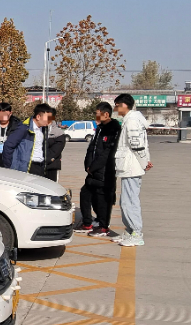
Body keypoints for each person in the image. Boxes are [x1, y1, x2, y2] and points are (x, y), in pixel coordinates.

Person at [74, 102, 121, 237]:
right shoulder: (99, 128)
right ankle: (88, 223)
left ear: (106, 114)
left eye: (97, 113)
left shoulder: (114, 129)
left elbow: (107, 153)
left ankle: (103, 226)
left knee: (102, 199)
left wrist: (93, 167)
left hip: (105, 172)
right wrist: (88, 165)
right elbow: (92, 149)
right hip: (93, 171)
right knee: (85, 193)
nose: (96, 116)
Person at [113, 94, 152, 246]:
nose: (115, 108)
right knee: (125, 201)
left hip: (132, 166)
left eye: (117, 105)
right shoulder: (130, 120)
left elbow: (137, 144)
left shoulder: (132, 121)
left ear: (124, 105)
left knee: (130, 201)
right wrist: (146, 160)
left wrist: (143, 162)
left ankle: (137, 233)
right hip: (129, 166)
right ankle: (130, 231)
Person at [2, 103, 54, 176]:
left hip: (40, 167)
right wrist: (10, 166)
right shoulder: (24, 128)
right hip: (27, 168)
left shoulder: (43, 130)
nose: (49, 121)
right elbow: (8, 145)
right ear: (38, 117)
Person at [44, 108, 67, 182]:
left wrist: (45, 160)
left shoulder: (58, 133)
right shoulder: (38, 130)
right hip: (38, 167)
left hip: (52, 166)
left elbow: (55, 151)